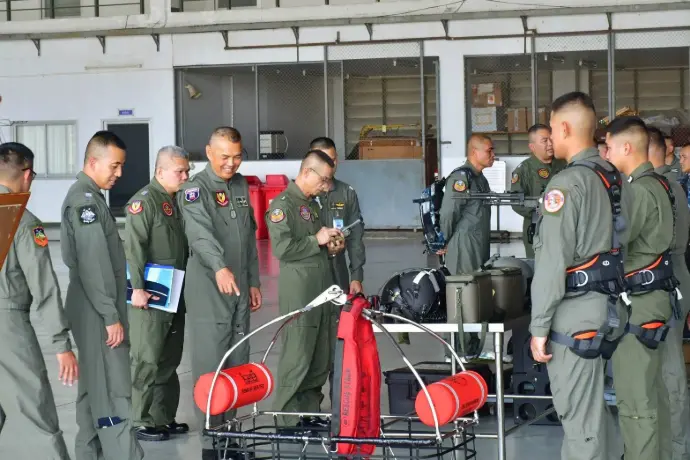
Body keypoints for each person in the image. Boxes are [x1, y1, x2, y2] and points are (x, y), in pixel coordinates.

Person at [529, 92, 632, 460]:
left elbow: (552, 261)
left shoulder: (566, 184)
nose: (550, 137)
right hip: (612, 309)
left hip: (576, 319)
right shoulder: (613, 178)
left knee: (579, 423)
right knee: (598, 416)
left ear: (565, 128)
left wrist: (539, 328)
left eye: (552, 129)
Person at [176, 127, 262, 459]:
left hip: (238, 286)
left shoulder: (239, 184)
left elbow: (248, 237)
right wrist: (219, 267)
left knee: (237, 362)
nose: (231, 163)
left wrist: (253, 280)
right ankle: (212, 442)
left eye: (237, 156)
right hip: (210, 288)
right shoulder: (194, 190)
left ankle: (231, 436)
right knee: (211, 365)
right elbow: (200, 235)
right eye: (224, 156)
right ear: (209, 152)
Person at [60, 131, 144, 460]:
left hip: (93, 306)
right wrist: (110, 316)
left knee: (93, 391)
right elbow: (93, 265)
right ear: (93, 162)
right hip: (97, 311)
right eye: (114, 166)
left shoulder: (90, 197)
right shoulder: (86, 203)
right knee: (113, 392)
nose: (119, 173)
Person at [0, 142, 78, 460]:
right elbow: (44, 288)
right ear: (27, 174)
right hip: (8, 326)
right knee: (36, 411)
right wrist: (61, 344)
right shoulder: (22, 219)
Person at [605, 116, 675, 460]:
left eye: (609, 146)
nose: (605, 153)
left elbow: (613, 241)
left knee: (635, 401)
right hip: (654, 297)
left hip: (639, 303)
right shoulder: (659, 184)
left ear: (626, 147)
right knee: (654, 395)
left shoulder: (638, 191)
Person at [265, 150, 344, 430]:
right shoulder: (282, 206)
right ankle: (286, 418)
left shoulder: (312, 204)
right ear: (307, 172)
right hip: (300, 290)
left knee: (320, 353)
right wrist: (316, 240)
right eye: (323, 180)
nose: (325, 186)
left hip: (321, 286)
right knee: (298, 354)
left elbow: (315, 243)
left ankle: (309, 412)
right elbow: (282, 248)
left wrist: (331, 245)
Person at [124, 146, 191, 442]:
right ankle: (140, 419)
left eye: (187, 171)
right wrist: (137, 288)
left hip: (174, 290)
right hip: (150, 292)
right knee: (146, 358)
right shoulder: (144, 202)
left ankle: (163, 417)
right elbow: (134, 248)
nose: (185, 176)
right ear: (160, 171)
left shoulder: (175, 201)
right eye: (180, 171)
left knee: (169, 358)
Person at [648, 126, 690, 460]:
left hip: (663, 281)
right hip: (674, 276)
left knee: (668, 368)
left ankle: (672, 446)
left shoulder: (655, 187)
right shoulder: (674, 184)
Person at [310, 137, 365, 295]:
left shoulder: (346, 193)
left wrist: (356, 277)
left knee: (340, 310)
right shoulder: (302, 194)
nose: (330, 165)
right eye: (324, 160)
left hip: (338, 273)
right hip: (309, 274)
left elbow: (355, 237)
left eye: (333, 159)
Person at [437, 133, 495, 274]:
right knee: (464, 284)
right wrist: (442, 240)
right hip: (464, 245)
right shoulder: (461, 178)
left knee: (479, 282)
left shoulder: (480, 178)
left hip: (479, 242)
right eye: (489, 151)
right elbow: (449, 212)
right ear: (474, 152)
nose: (493, 155)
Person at [510, 124, 566, 258]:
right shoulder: (524, 170)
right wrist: (542, 211)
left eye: (551, 139)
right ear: (532, 147)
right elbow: (516, 202)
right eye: (545, 141)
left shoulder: (563, 164)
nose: (550, 144)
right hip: (537, 228)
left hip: (563, 227)